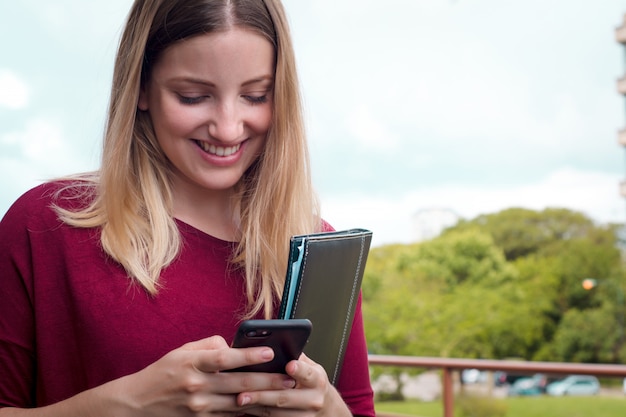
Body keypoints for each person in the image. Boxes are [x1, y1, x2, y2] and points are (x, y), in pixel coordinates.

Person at [0, 1, 375, 416]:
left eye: (255, 96)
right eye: (193, 96)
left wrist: (328, 409)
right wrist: (129, 405)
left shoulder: (317, 249)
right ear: (141, 87)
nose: (228, 127)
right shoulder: (44, 225)